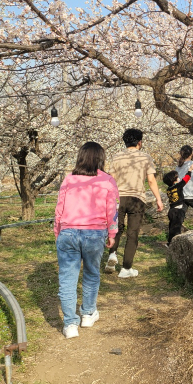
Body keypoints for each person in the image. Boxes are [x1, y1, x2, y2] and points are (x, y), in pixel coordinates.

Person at [54, 142, 119, 339]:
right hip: (94, 233)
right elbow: (112, 211)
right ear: (100, 158)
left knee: (67, 279)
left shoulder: (68, 179)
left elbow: (59, 208)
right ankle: (88, 314)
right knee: (91, 274)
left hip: (68, 232)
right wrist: (112, 234)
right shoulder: (107, 181)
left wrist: (58, 231)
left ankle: (70, 325)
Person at [105, 128, 164, 278]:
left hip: (118, 198)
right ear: (139, 142)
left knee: (116, 228)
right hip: (137, 198)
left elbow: (111, 179)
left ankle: (112, 254)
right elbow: (151, 180)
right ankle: (126, 269)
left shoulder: (116, 157)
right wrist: (158, 199)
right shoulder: (145, 157)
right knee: (133, 233)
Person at [162, 163, 193, 244]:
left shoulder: (168, 189)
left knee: (172, 227)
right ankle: (175, 244)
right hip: (178, 211)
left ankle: (170, 242)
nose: (179, 179)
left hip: (171, 211)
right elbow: (186, 178)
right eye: (177, 178)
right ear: (174, 181)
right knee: (177, 228)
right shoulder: (178, 186)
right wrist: (190, 170)